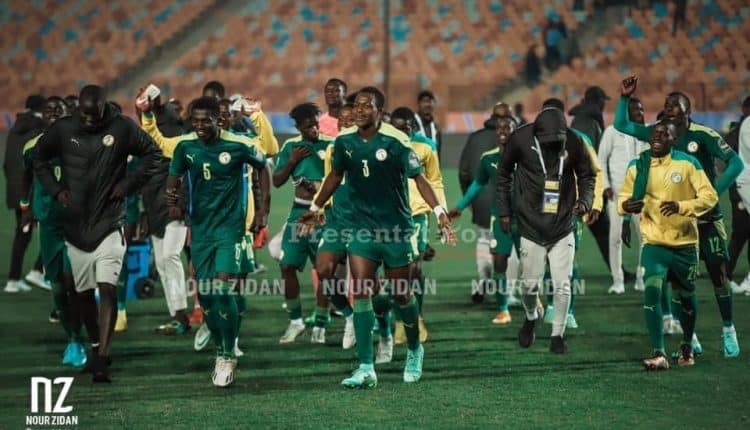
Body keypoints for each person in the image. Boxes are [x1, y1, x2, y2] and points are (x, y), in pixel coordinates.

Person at [299, 86, 456, 388]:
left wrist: (439, 212)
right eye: (357, 105)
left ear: (379, 112)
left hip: (396, 229)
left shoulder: (396, 142)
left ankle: (414, 349)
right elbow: (334, 176)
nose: (359, 110)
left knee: (401, 294)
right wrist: (316, 208)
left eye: (366, 105)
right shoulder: (344, 143)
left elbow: (419, 179)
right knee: (361, 293)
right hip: (362, 230)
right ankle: (366, 368)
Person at [34, 85, 162, 382]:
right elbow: (38, 158)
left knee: (107, 289)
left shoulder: (121, 127)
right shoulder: (63, 129)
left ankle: (102, 357)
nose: (90, 120)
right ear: (79, 109)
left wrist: (128, 185)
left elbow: (153, 154)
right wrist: (56, 190)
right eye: (85, 114)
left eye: (95, 114)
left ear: (105, 108)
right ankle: (95, 345)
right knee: (82, 296)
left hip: (110, 222)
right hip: (76, 227)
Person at [615, 75, 743, 357]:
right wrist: (624, 97)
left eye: (674, 104)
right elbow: (622, 125)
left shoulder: (703, 135)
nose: (668, 108)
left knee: (719, 274)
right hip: (675, 225)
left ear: (688, 111)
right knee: (678, 282)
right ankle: (690, 337)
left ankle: (728, 330)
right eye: (666, 104)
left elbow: (736, 163)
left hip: (705, 218)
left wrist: (713, 192)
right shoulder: (659, 133)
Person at [159, 96, 266, 387]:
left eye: (206, 121)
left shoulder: (238, 144)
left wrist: (263, 210)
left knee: (221, 289)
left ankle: (227, 354)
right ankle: (220, 348)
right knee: (205, 295)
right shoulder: (186, 147)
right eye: (195, 121)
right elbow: (174, 176)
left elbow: (263, 166)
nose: (200, 126)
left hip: (230, 230)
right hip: (201, 230)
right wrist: (172, 200)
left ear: (219, 120)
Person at [618, 120, 718, 370]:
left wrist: (682, 206)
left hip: (685, 244)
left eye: (664, 134)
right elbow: (624, 196)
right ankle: (659, 353)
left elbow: (710, 197)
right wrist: (625, 206)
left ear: (674, 140)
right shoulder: (638, 165)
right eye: (655, 133)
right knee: (652, 291)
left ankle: (686, 344)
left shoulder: (688, 164)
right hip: (654, 244)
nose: (657, 137)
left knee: (686, 298)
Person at [497, 107, 595, 354]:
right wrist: (504, 211)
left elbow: (587, 176)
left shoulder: (575, 141)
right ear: (536, 134)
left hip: (563, 224)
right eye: (547, 141)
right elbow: (503, 174)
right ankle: (532, 315)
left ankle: (557, 335)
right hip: (530, 225)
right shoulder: (520, 139)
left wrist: (585, 201)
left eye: (556, 141)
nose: (552, 146)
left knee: (562, 284)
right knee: (529, 286)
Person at [22, 96, 87, 367]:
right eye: (48, 110)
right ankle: (73, 339)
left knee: (74, 284)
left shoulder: (80, 143)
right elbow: (27, 176)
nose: (52, 114)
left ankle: (82, 337)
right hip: (48, 225)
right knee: (58, 288)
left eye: (57, 110)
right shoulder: (32, 147)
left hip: (75, 224)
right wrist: (25, 205)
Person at [273, 103, 333, 344]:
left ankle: (320, 323)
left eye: (316, 125)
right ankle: (296, 321)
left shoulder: (331, 145)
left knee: (325, 271)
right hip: (298, 213)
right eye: (308, 127)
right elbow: (277, 181)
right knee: (287, 265)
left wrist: (316, 188)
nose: (314, 130)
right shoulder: (291, 147)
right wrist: (292, 161)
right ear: (298, 127)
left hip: (324, 215)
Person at [450, 115, 519, 325]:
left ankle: (538, 304)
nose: (503, 131)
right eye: (500, 128)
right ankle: (503, 309)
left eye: (508, 127)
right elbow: (478, 184)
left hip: (525, 219)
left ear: (515, 130)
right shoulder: (488, 159)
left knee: (532, 264)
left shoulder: (527, 157)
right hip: (500, 219)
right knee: (499, 263)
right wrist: (460, 206)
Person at [391, 106, 447, 345]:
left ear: (412, 127)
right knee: (394, 272)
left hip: (416, 216)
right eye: (396, 128)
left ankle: (415, 317)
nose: (401, 133)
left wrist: (441, 214)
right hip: (389, 217)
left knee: (413, 268)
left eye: (405, 128)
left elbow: (435, 181)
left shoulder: (425, 147)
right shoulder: (384, 147)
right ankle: (398, 320)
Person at [598, 97, 650, 294]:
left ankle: (641, 278)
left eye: (641, 109)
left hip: (643, 197)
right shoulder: (612, 132)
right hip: (618, 196)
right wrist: (606, 186)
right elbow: (601, 160)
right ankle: (617, 280)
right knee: (615, 239)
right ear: (626, 113)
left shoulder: (647, 133)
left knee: (645, 239)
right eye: (636, 110)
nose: (640, 113)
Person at [458, 103, 506, 303]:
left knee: (485, 240)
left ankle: (484, 280)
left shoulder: (475, 137)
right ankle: (508, 291)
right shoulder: (515, 137)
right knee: (508, 246)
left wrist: (468, 198)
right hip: (507, 203)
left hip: (480, 199)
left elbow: (464, 171)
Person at [4, 94, 47, 293]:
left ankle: (14, 279)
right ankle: (37, 271)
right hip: (31, 191)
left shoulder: (15, 129)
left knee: (23, 234)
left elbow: (7, 164)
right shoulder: (39, 129)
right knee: (54, 230)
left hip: (16, 190)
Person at [727, 96, 750, 295]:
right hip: (741, 190)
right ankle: (724, 274)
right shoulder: (742, 129)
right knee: (740, 235)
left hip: (741, 187)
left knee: (740, 236)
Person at [414, 90, 443, 159]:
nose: (428, 104)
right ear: (419, 104)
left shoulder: (436, 128)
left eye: (430, 101)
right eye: (425, 101)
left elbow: (438, 153)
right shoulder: (412, 125)